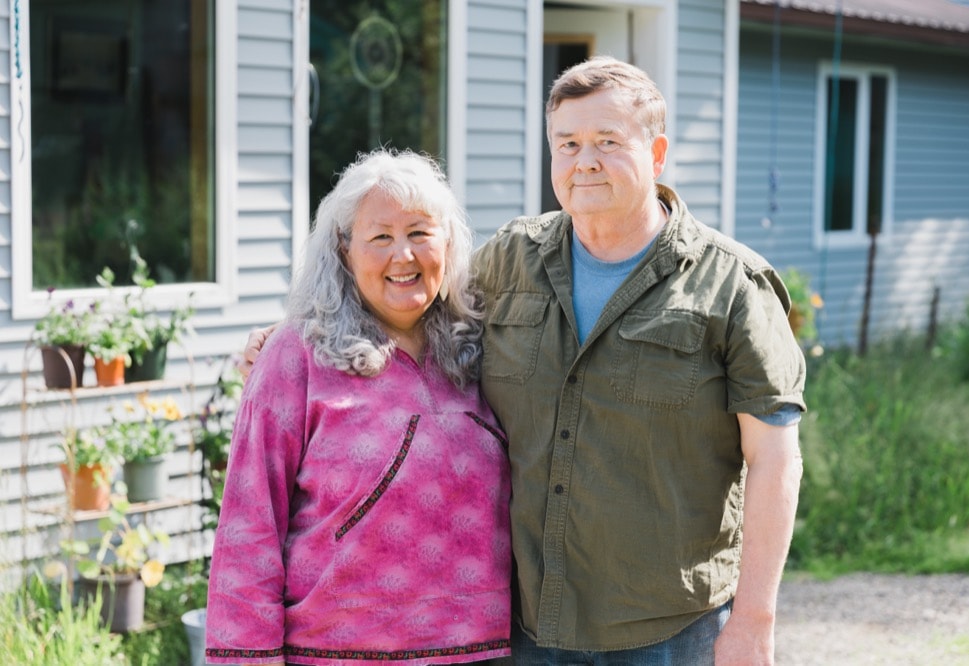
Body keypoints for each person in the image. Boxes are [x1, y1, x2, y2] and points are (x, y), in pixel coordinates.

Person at [241, 56, 806, 665]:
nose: (584, 160)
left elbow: (774, 460)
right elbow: (410, 297)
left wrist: (754, 619)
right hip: (528, 630)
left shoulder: (732, 287)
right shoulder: (512, 260)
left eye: (608, 141)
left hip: (668, 632)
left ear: (657, 152)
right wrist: (300, 330)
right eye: (567, 142)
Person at [206, 149, 512, 666]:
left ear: (449, 243)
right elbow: (249, 524)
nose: (403, 256)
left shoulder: (487, 348)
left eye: (420, 232)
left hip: (483, 653)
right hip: (336, 652)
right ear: (344, 249)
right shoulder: (296, 355)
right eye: (380, 237)